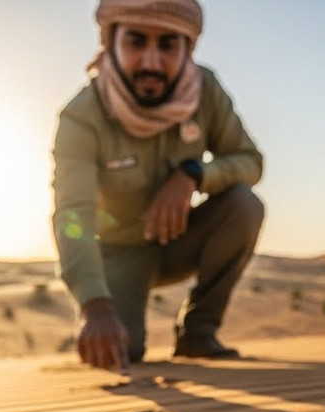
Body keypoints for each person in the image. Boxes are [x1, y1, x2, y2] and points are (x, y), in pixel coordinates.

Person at [51, 0, 264, 373]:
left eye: (167, 45)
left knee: (244, 204)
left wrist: (193, 174)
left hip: (180, 239)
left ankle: (198, 334)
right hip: (120, 253)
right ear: (111, 43)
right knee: (122, 350)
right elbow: (72, 215)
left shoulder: (206, 90)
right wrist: (94, 305)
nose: (151, 61)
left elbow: (250, 162)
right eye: (136, 42)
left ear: (188, 49)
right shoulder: (81, 116)